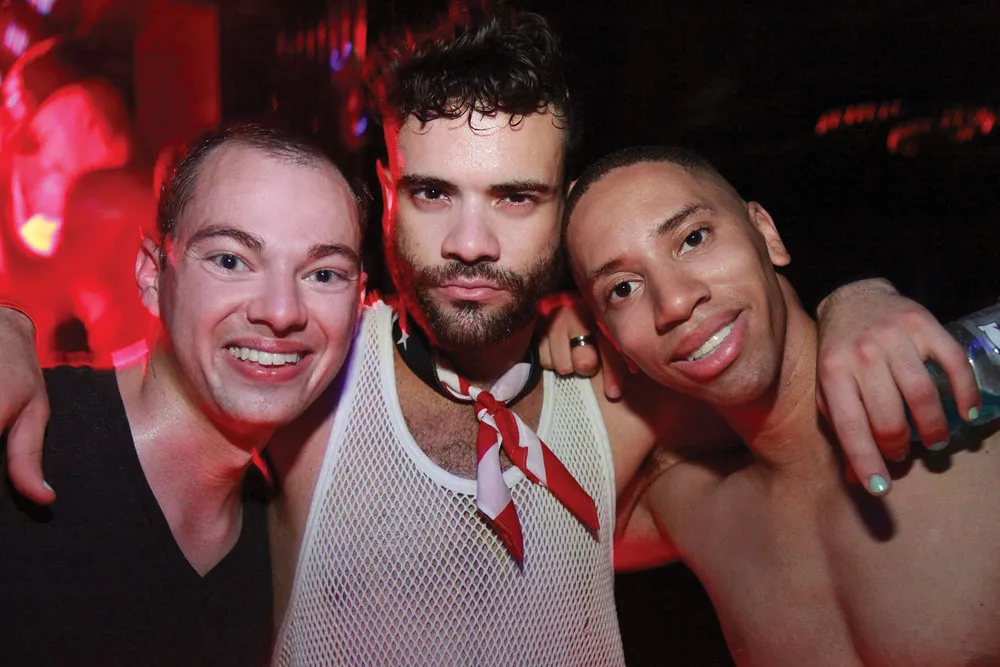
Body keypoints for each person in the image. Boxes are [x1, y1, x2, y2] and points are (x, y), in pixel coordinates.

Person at [0, 7, 981, 666]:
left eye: (515, 197)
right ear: (387, 193)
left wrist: (855, 301)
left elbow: (793, 413)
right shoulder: (313, 371)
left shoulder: (628, 403)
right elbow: (161, 386)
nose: (470, 244)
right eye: (435, 193)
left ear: (562, 209)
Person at [563, 145, 1000, 666]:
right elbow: (512, 539)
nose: (674, 302)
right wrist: (538, 335)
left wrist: (856, 290)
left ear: (766, 233)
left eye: (693, 238)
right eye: (622, 289)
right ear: (614, 341)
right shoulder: (699, 512)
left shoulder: (972, 406)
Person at [0, 122, 367, 666]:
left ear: (359, 305)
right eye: (230, 260)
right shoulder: (25, 435)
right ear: (152, 277)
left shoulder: (280, 550)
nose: (282, 311)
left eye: (324, 274)